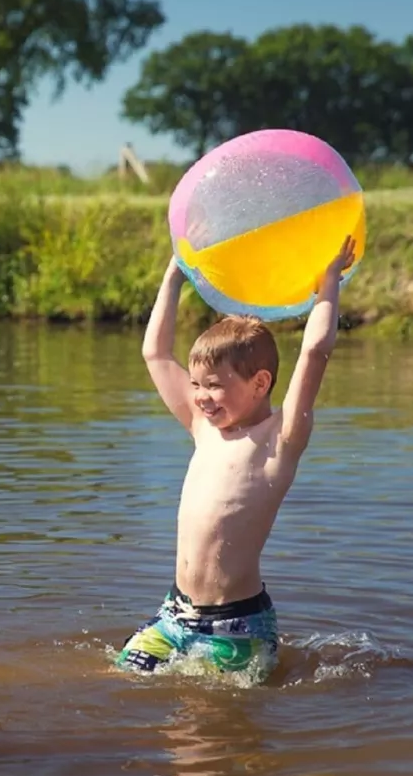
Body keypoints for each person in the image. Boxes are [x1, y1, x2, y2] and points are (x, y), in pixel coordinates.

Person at [116, 237, 357, 679]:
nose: (201, 397)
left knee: (212, 725)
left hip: (237, 625)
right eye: (197, 384)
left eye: (214, 385)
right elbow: (155, 352)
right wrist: (175, 273)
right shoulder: (203, 427)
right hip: (174, 617)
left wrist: (329, 280)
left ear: (260, 383)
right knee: (120, 680)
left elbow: (316, 351)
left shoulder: (280, 439)